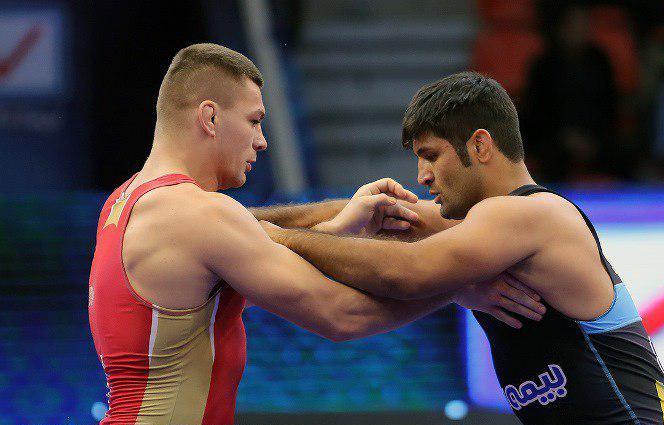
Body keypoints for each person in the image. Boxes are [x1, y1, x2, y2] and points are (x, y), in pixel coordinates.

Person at [87, 44, 543, 425]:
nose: (262, 141)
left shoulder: (128, 202)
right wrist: (460, 282)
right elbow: (344, 316)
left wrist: (343, 220)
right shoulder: (197, 215)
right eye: (253, 120)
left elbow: (250, 243)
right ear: (209, 117)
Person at [262, 72, 664, 425]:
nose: (422, 175)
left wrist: (274, 238)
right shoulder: (484, 225)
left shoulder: (529, 215)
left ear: (479, 144)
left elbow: (407, 273)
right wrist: (237, 221)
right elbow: (368, 214)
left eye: (431, 155)